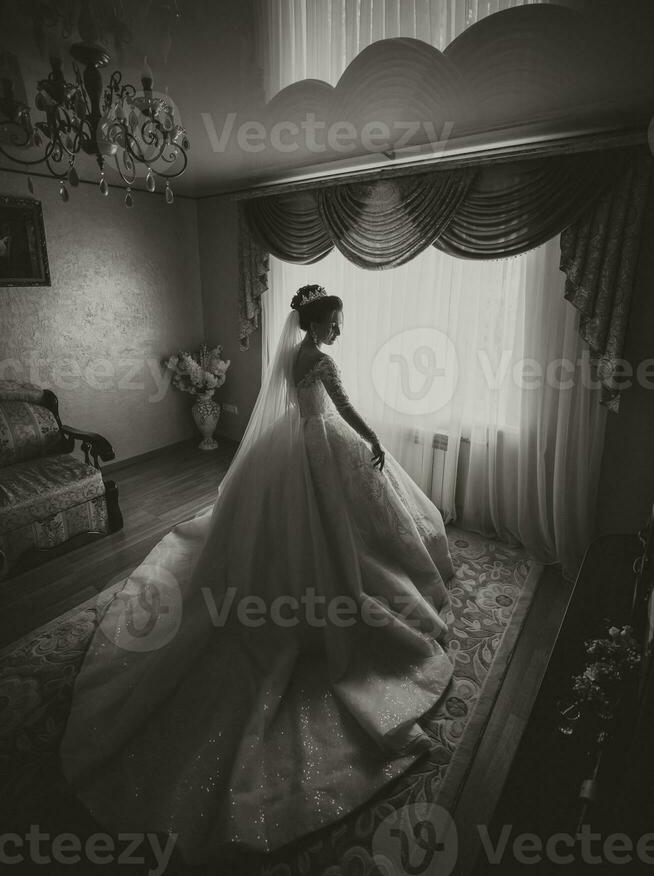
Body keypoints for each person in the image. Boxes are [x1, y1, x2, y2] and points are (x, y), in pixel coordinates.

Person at [59, 284, 455, 866]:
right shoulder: (319, 359)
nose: (340, 332)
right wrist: (371, 438)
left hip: (292, 442)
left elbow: (304, 403)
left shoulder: (295, 355)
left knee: (286, 529)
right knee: (338, 529)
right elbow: (343, 409)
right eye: (336, 323)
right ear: (318, 325)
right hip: (319, 446)